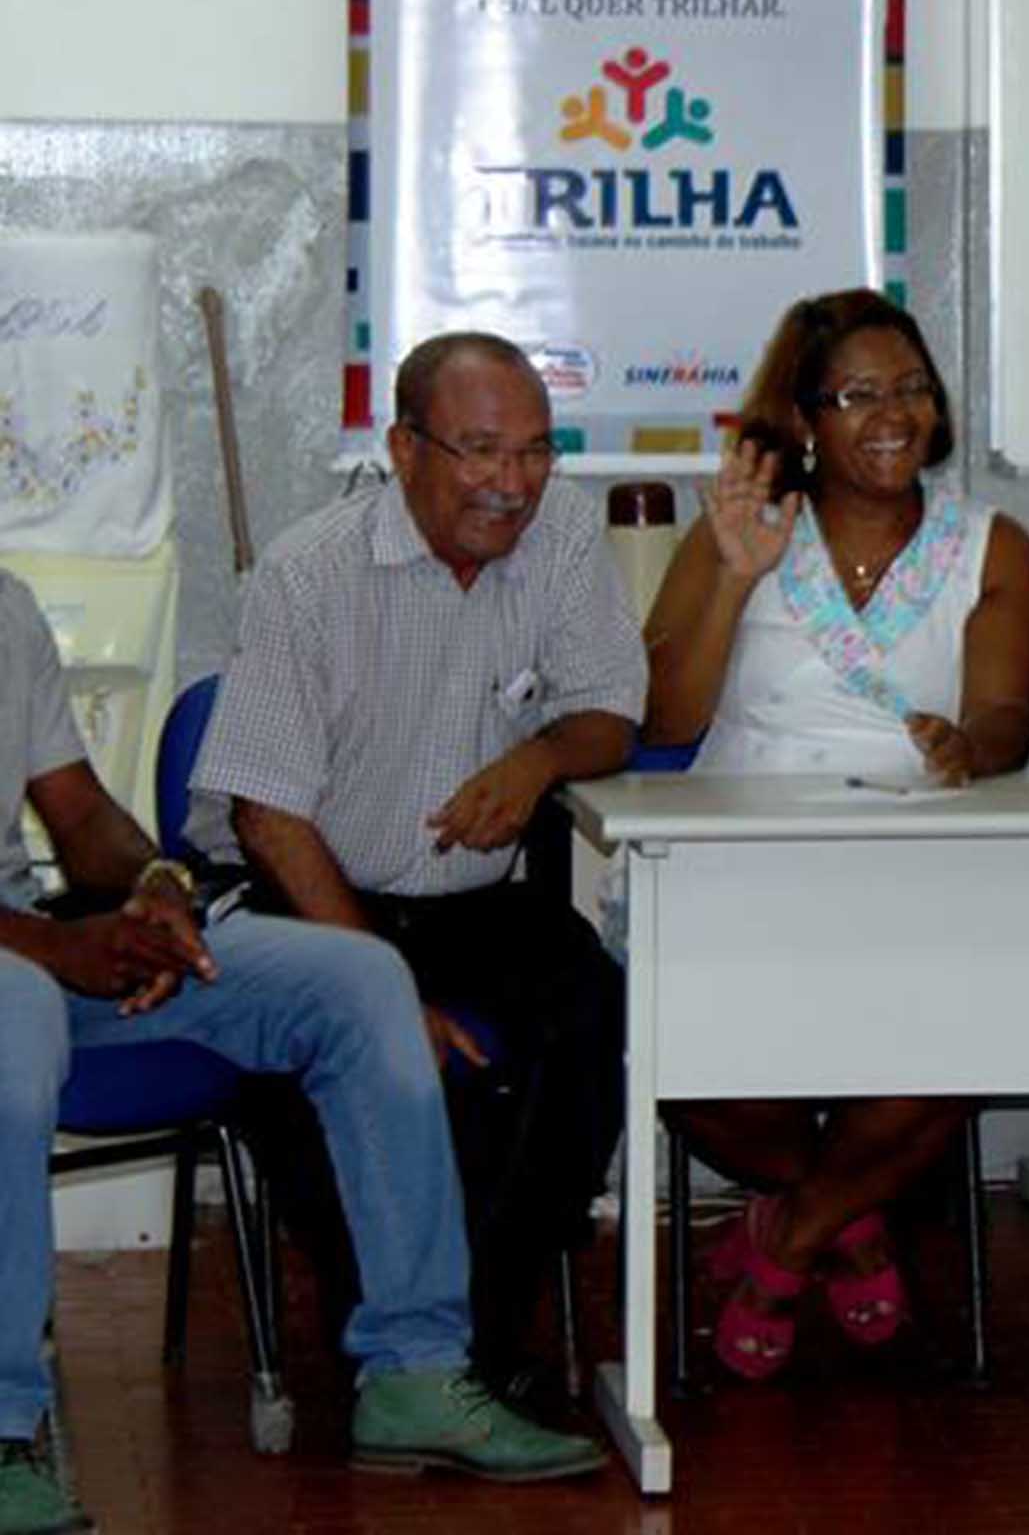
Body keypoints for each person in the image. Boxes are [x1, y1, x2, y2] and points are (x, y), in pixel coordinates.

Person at [0, 569, 601, 1534]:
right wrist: (54, 951)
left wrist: (158, 887)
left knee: (358, 982)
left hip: (40, 946)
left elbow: (76, 816)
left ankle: (417, 1370)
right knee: (18, 1010)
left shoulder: (7, 606)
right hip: (24, 976)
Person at [190, 332, 643, 1402]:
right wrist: (383, 990)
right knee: (330, 1067)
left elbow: (613, 716)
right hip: (313, 904)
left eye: (537, 452)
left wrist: (538, 760)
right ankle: (400, 1351)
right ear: (403, 448)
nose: (514, 484)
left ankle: (475, 1337)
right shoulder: (307, 576)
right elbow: (265, 817)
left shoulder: (565, 538)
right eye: (482, 451)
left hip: (474, 906)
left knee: (591, 1007)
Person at [642, 288, 1029, 1377]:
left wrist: (974, 745)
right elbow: (667, 719)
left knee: (966, 1032)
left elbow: (1010, 714)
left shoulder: (990, 546)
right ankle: (843, 1216)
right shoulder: (744, 529)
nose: (895, 413)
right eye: (859, 393)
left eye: (913, 388)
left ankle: (786, 1245)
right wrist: (733, 573)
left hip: (915, 868)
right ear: (806, 415)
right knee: (689, 1052)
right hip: (738, 867)